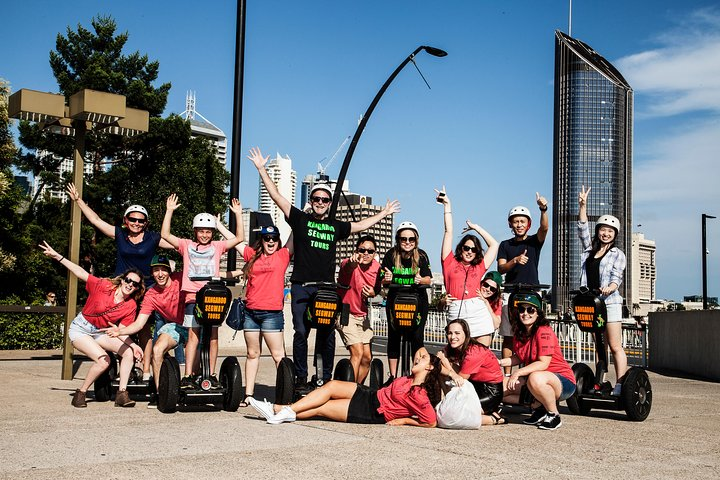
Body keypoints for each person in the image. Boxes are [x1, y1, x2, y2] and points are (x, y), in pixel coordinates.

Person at [248, 146, 399, 387]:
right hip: (301, 287)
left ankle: (323, 378)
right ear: (311, 201)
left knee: (326, 333)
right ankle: (299, 377)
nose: (320, 202)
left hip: (326, 288)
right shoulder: (300, 219)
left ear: (329, 203)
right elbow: (276, 195)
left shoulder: (335, 226)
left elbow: (360, 226)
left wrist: (384, 213)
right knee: (301, 332)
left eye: (324, 200)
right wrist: (261, 168)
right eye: (316, 199)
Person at [66, 182, 178, 376]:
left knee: (143, 331)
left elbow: (179, 245)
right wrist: (78, 200)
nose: (136, 223)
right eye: (133, 219)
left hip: (145, 291)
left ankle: (145, 371)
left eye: (141, 221)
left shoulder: (153, 238)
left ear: (146, 223)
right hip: (122, 289)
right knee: (118, 329)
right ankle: (125, 368)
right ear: (126, 220)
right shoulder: (119, 234)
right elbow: (96, 220)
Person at [39, 241, 145, 408]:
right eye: (128, 280)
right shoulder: (104, 286)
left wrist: (134, 346)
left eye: (135, 284)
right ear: (123, 279)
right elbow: (80, 272)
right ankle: (80, 393)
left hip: (100, 332)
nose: (130, 284)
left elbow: (122, 332)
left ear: (138, 288)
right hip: (80, 329)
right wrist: (58, 257)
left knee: (128, 353)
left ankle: (122, 394)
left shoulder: (131, 305)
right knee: (103, 361)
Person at [161, 194, 243, 390]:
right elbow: (165, 234)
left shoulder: (217, 246)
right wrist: (169, 211)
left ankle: (211, 374)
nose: (205, 235)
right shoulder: (186, 245)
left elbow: (240, 238)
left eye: (208, 231)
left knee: (213, 335)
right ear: (195, 231)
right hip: (192, 296)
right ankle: (188, 375)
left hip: (212, 296)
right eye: (201, 231)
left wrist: (238, 215)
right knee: (193, 335)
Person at [248, 348, 442, 427]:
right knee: (331, 386)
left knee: (322, 408)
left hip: (372, 411)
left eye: (423, 360)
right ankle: (282, 410)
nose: (418, 358)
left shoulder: (420, 396)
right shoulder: (409, 378)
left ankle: (278, 409)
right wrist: (429, 357)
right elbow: (421, 350)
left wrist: (404, 420)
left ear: (429, 367)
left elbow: (431, 422)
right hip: (371, 395)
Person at [219, 220, 293, 407]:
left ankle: (283, 395)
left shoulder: (283, 255)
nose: (270, 241)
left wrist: (305, 212)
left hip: (272, 314)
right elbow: (234, 241)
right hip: (251, 313)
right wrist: (218, 225)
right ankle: (248, 395)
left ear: (278, 241)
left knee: (279, 356)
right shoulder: (251, 256)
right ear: (261, 240)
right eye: (267, 238)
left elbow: (295, 233)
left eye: (274, 238)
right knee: (252, 354)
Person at [102, 255, 185, 407]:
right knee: (157, 349)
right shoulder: (151, 294)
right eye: (156, 270)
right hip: (176, 326)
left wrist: (240, 271)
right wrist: (120, 331)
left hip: (195, 324)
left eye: (163, 270)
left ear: (169, 272)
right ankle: (162, 394)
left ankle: (193, 380)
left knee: (197, 359)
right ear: (152, 273)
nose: (160, 274)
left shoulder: (181, 279)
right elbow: (139, 323)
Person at [578, 185, 628, 396]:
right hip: (592, 302)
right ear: (598, 231)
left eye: (610, 231)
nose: (606, 233)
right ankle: (600, 382)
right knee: (599, 346)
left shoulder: (618, 254)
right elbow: (582, 228)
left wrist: (610, 288)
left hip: (610, 302)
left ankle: (620, 384)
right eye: (603, 230)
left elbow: (617, 277)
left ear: (614, 234)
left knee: (614, 345)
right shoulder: (589, 250)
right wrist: (583, 205)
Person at [500, 292, 575, 430]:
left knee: (535, 378)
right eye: (522, 309)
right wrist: (499, 362)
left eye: (530, 310)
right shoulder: (519, 331)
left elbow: (543, 363)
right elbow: (520, 357)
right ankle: (537, 406)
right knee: (499, 389)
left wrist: (517, 373)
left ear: (538, 313)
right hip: (535, 380)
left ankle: (554, 415)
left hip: (562, 381)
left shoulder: (543, 331)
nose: (525, 313)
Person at [436, 187, 499, 346]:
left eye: (474, 249)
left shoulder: (479, 266)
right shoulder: (449, 261)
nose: (469, 252)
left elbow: (494, 245)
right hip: (456, 310)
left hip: (477, 311)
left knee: (481, 356)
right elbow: (448, 231)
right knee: (458, 357)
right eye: (466, 248)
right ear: (460, 248)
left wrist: (476, 228)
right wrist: (447, 206)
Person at [497, 193, 549, 374]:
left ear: (528, 224)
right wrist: (515, 261)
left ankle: (528, 374)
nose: (519, 225)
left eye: (522, 221)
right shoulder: (505, 245)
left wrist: (543, 209)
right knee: (509, 337)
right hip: (511, 293)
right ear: (510, 224)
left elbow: (544, 228)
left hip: (532, 293)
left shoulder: (534, 242)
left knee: (531, 335)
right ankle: (507, 376)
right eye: (515, 221)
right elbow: (501, 268)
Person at [376, 221, 432, 381]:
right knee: (394, 337)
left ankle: (416, 376)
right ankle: (393, 377)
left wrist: (421, 280)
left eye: (411, 239)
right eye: (403, 239)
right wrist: (386, 279)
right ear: (398, 240)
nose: (407, 242)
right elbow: (381, 279)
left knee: (417, 338)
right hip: (396, 300)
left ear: (416, 240)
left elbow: (428, 279)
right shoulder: (391, 255)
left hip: (418, 301)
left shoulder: (421, 255)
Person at [438, 319, 506, 426]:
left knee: (454, 415)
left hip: (490, 392)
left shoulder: (474, 352)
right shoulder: (455, 346)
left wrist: (445, 361)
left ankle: (493, 418)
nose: (452, 337)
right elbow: (440, 358)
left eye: (457, 333)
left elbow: (459, 380)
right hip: (474, 385)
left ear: (466, 334)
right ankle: (450, 401)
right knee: (440, 369)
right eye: (450, 333)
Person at [336, 235, 381, 384]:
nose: (366, 253)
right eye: (362, 250)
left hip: (363, 317)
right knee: (358, 352)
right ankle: (350, 392)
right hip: (345, 313)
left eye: (370, 250)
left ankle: (357, 387)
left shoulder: (377, 267)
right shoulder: (348, 264)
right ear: (357, 251)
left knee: (367, 357)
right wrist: (352, 262)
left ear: (375, 253)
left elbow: (379, 289)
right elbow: (347, 266)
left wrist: (375, 292)